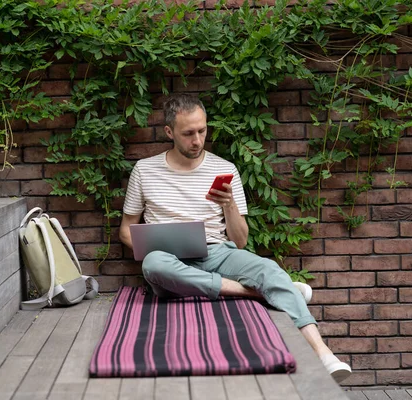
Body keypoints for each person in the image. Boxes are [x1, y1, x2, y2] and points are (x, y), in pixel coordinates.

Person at [118, 93, 352, 383]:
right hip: (168, 260)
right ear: (169, 132)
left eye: (202, 131)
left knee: (268, 268)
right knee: (153, 265)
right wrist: (147, 242)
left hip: (216, 253)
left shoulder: (224, 169)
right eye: (188, 133)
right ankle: (258, 291)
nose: (197, 140)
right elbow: (126, 229)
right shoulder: (145, 170)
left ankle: (324, 354)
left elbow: (240, 241)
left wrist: (228, 205)